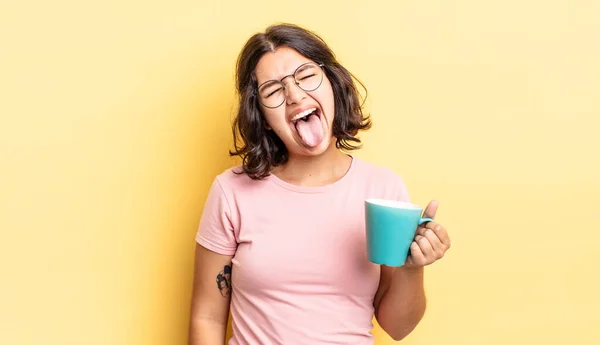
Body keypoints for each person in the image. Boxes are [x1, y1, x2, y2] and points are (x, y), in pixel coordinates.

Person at [188, 23, 451, 345]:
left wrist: (413, 267)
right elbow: (207, 316)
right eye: (273, 90)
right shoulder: (231, 191)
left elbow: (398, 328)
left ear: (332, 84)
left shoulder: (383, 189)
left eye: (306, 75)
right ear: (262, 117)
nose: (295, 95)